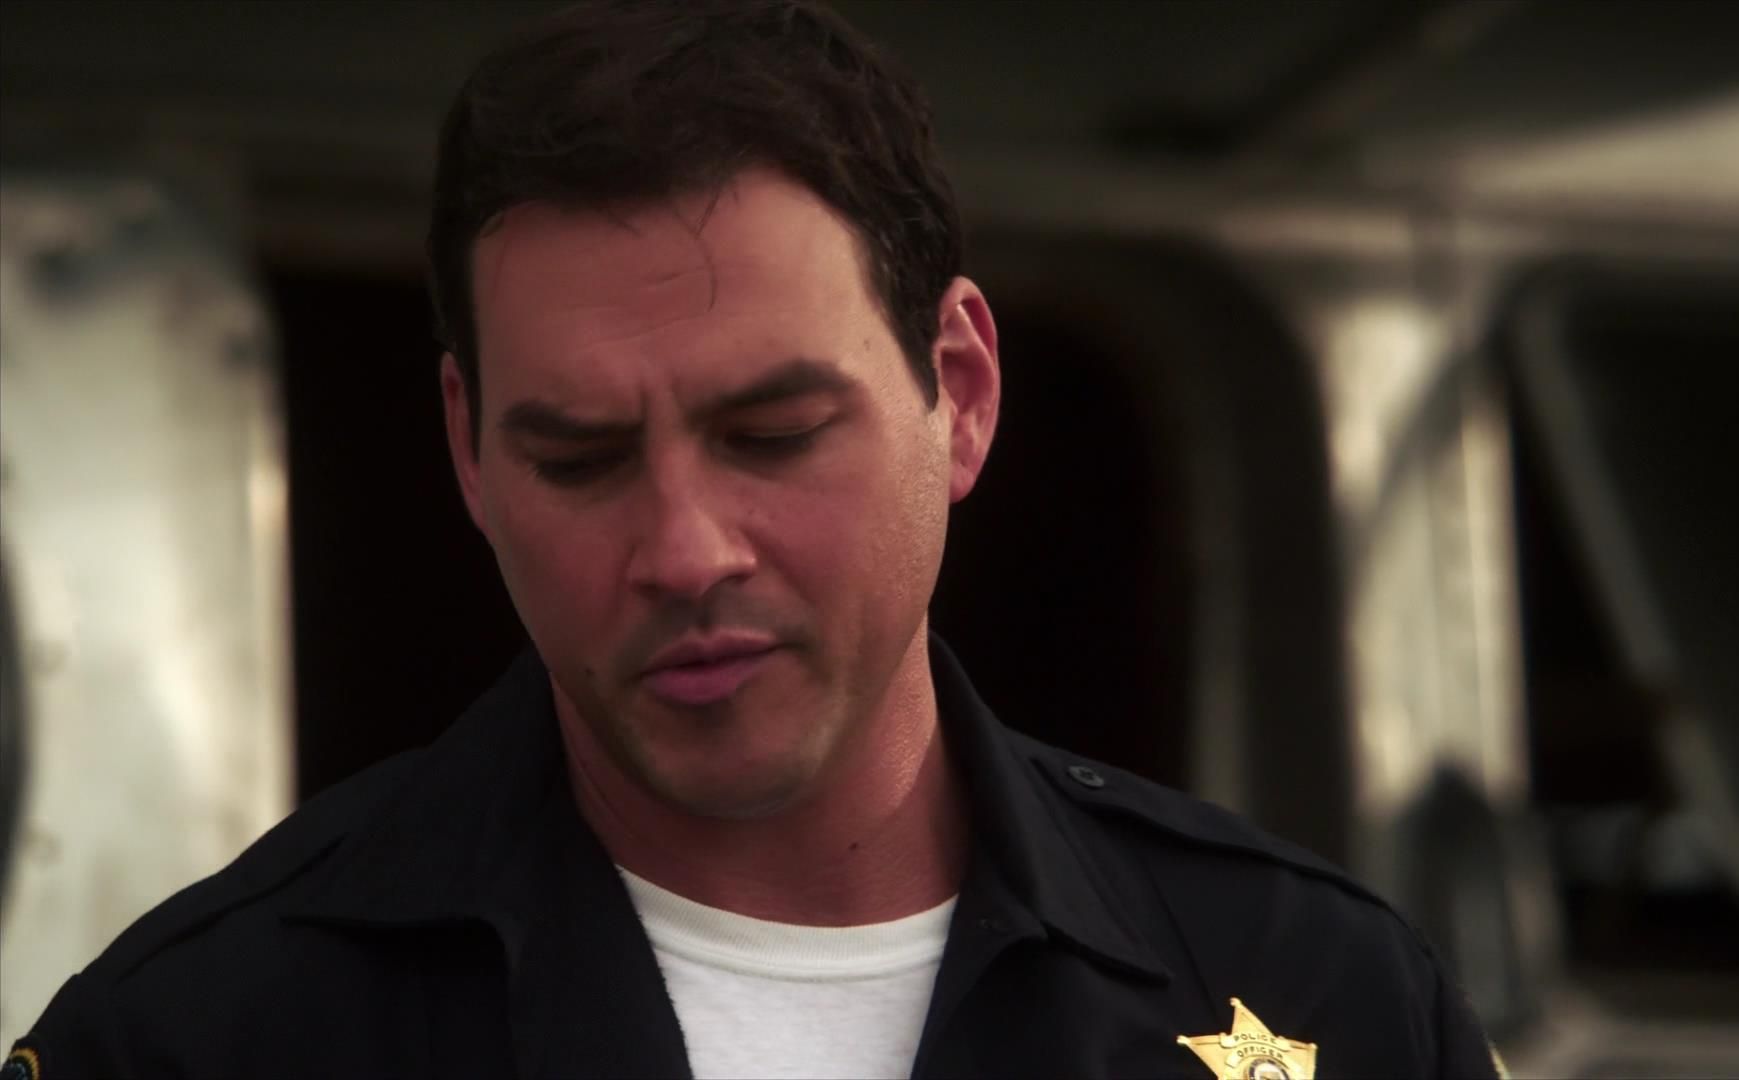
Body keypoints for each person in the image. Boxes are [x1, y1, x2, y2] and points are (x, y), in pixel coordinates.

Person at [5, 2, 1502, 1077]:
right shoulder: (198, 1039)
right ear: (467, 450)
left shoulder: (1327, 998)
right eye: (580, 458)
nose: (683, 548)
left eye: (774, 434)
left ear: (961, 391)